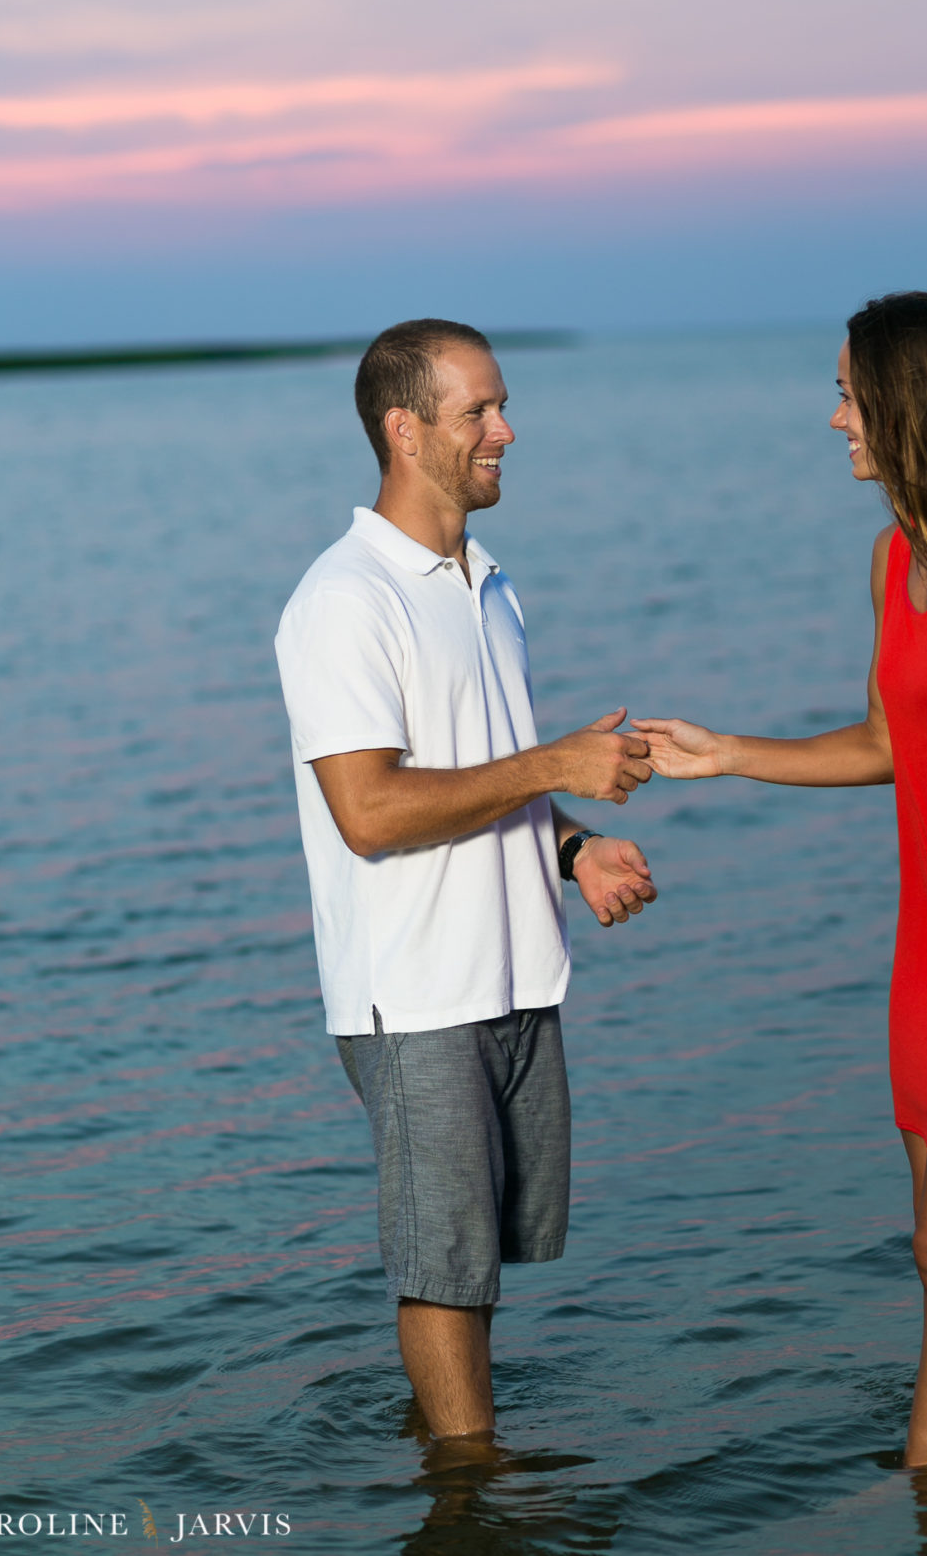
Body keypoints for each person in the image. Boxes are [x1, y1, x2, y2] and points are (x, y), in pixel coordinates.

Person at [633, 291, 927, 1468]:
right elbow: (884, 744)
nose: (834, 422)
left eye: (846, 396)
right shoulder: (894, 558)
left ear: (909, 403)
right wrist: (727, 753)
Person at [275, 317, 657, 1443]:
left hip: (512, 975)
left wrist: (572, 847)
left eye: (500, 406)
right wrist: (554, 766)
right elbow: (371, 811)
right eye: (478, 412)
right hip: (415, 992)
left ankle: (468, 1469)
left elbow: (476, 772)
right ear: (405, 429)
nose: (505, 431)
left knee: (484, 1261)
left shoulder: (486, 584)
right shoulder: (345, 599)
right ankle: (465, 1498)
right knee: (441, 1268)